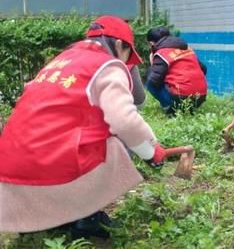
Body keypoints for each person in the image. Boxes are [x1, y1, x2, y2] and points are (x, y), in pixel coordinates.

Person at [0, 15, 175, 239]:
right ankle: (86, 217)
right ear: (120, 45)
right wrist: (151, 152)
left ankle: (48, 217)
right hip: (50, 167)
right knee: (118, 140)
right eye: (127, 56)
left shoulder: (62, 60)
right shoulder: (107, 66)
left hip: (10, 168)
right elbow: (125, 120)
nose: (127, 64)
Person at [145, 26, 207, 114]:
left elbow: (154, 80)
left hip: (181, 98)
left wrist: (153, 63)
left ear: (151, 43)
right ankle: (190, 108)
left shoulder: (162, 53)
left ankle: (169, 108)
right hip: (200, 97)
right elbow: (203, 69)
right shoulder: (186, 48)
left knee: (150, 76)